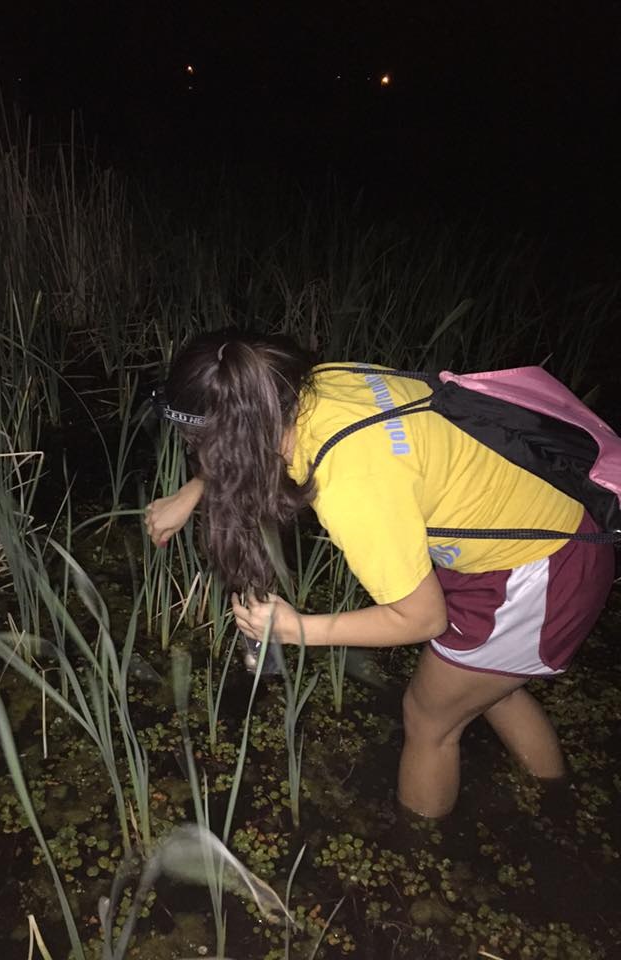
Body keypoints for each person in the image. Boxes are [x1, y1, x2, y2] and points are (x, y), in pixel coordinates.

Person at [144, 329, 615, 818]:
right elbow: (252, 429)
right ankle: (556, 802)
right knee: (491, 687)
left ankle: (421, 845)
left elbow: (422, 618)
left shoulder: (352, 485)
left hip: (542, 568)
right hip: (535, 521)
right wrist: (193, 491)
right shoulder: (317, 383)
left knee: (429, 720)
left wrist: (297, 629)